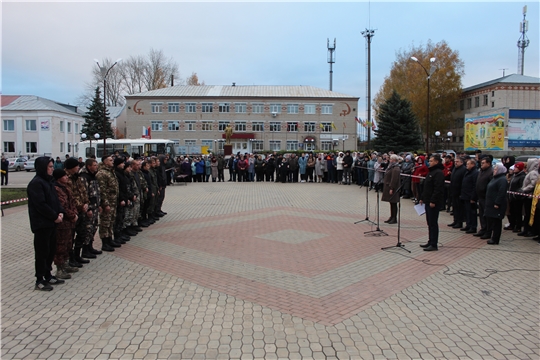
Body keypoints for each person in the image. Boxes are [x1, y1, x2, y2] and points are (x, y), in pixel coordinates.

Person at [27, 156, 65, 291]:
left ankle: (48, 275)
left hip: (52, 223)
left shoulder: (49, 182)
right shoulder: (36, 183)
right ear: (43, 168)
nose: (52, 169)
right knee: (42, 252)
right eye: (49, 167)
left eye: (52, 166)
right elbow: (40, 205)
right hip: (42, 224)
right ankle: (40, 279)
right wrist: (54, 216)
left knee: (50, 250)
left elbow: (55, 201)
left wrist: (60, 212)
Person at [52, 169, 78, 279]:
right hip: (63, 223)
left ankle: (66, 264)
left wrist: (75, 213)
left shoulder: (65, 187)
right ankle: (59, 268)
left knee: (68, 244)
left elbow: (72, 202)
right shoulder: (56, 189)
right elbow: (62, 207)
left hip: (69, 223)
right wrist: (72, 215)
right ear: (59, 178)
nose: (67, 177)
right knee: (60, 246)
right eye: (64, 176)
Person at [419, 154, 445, 251]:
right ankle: (430, 241)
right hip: (427, 200)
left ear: (436, 162)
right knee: (429, 222)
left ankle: (434, 244)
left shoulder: (438, 173)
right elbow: (427, 187)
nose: (429, 162)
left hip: (433, 202)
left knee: (433, 223)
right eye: (429, 161)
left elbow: (438, 189)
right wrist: (422, 198)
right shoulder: (431, 172)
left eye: (431, 161)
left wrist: (433, 200)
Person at [96, 155, 120, 252]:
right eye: (110, 160)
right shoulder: (102, 173)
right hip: (108, 202)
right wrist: (105, 204)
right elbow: (102, 190)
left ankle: (110, 239)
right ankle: (104, 242)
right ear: (105, 162)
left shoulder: (111, 172)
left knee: (111, 221)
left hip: (113, 201)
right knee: (105, 223)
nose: (112, 162)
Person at [483, 163, 508, 244]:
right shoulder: (495, 178)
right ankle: (492, 237)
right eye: (494, 169)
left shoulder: (502, 179)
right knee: (492, 221)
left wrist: (497, 203)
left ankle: (495, 239)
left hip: (496, 205)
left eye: (496, 169)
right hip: (490, 204)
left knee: (496, 223)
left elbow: (501, 193)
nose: (494, 170)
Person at [474, 156, 494, 239]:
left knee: (487, 216)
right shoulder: (481, 171)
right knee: (482, 215)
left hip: (487, 198)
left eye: (483, 163)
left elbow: (491, 186)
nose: (481, 164)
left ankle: (488, 231)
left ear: (488, 164)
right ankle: (483, 229)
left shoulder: (491, 172)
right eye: (481, 163)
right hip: (480, 197)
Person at [447, 156, 467, 229]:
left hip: (459, 192)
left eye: (457, 161)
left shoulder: (463, 170)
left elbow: (463, 182)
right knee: (455, 207)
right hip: (453, 191)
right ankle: (455, 220)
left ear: (461, 162)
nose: (456, 163)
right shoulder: (455, 169)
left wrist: (462, 193)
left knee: (459, 208)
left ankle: (459, 222)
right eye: (455, 161)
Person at [460, 159, 478, 234]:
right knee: (467, 212)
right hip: (465, 195)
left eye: (468, 164)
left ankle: (473, 226)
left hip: (470, 196)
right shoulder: (468, 172)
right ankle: (468, 224)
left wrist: (473, 197)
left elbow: (475, 186)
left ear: (473, 164)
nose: (466, 165)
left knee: (472, 212)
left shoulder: (475, 173)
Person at [381, 154, 401, 224]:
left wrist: (391, 188)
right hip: (388, 186)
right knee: (391, 203)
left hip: (393, 188)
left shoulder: (395, 168)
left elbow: (394, 179)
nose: (390, 160)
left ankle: (394, 218)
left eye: (391, 159)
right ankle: (391, 216)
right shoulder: (391, 167)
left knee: (394, 203)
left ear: (394, 160)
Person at [507, 162, 526, 232]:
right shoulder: (514, 176)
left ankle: (518, 226)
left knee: (518, 212)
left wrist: (516, 194)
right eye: (515, 167)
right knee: (512, 211)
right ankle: (512, 224)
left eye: (516, 168)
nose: (514, 169)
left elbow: (521, 187)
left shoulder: (522, 176)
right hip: (511, 197)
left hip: (517, 198)